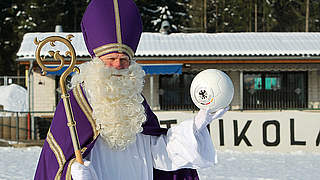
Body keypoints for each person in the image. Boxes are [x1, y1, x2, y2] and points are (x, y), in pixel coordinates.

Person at [34, 0, 229, 179]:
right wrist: (72, 174)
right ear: (97, 61)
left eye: (124, 60)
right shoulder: (75, 104)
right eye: (111, 59)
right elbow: (53, 168)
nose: (118, 65)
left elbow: (158, 154)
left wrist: (194, 128)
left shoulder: (135, 101)